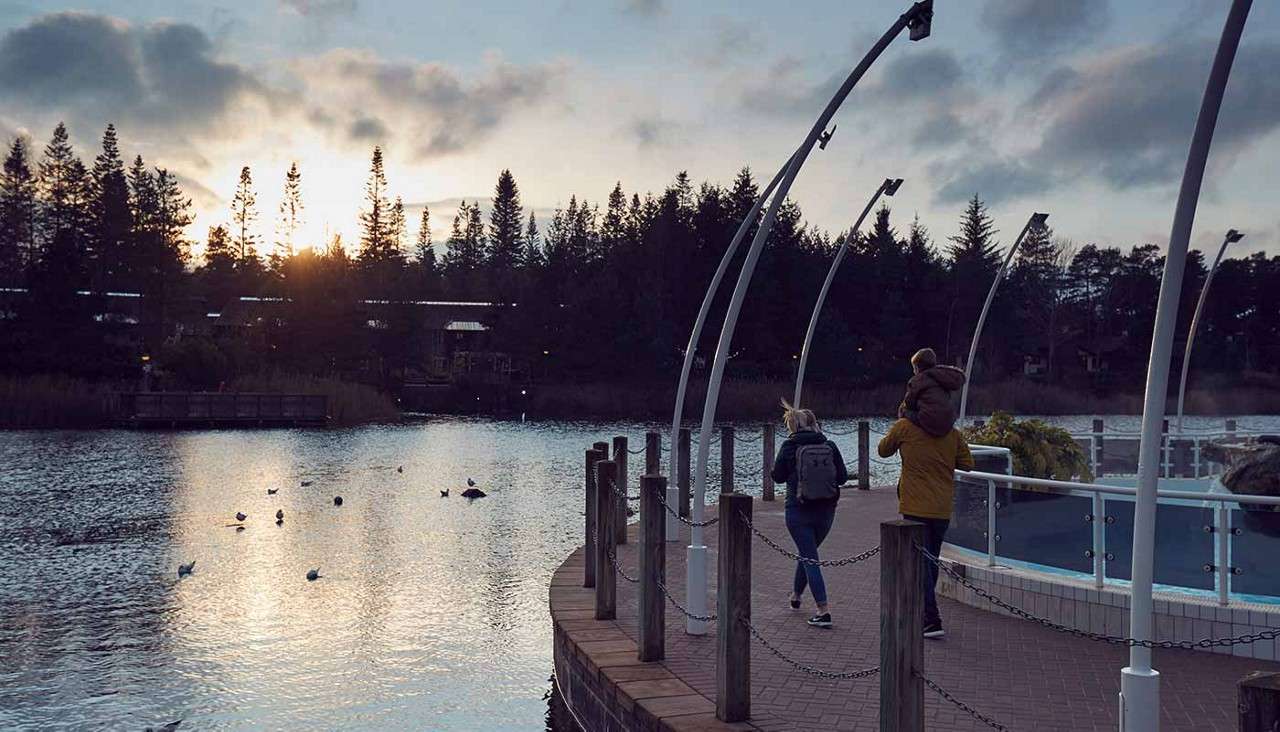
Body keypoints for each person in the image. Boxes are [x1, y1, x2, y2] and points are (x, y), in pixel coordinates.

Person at [878, 401, 974, 639]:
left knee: (921, 563)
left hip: (915, 506)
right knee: (930, 562)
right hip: (942, 507)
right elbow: (967, 464)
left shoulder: (904, 427)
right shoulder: (952, 433)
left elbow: (882, 450)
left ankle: (931, 618)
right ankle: (924, 614)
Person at [771, 399, 848, 628]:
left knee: (810, 557)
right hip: (826, 512)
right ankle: (796, 595)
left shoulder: (789, 447)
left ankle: (823, 611)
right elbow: (842, 478)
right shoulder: (830, 446)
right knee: (808, 554)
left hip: (797, 511)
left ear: (793, 426)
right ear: (815, 424)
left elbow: (778, 477)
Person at [897, 347, 966, 437]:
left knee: (903, 410)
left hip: (928, 421)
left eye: (914, 368)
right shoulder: (943, 377)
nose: (914, 372)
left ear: (918, 367)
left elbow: (909, 402)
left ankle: (901, 436)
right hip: (947, 422)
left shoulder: (918, 380)